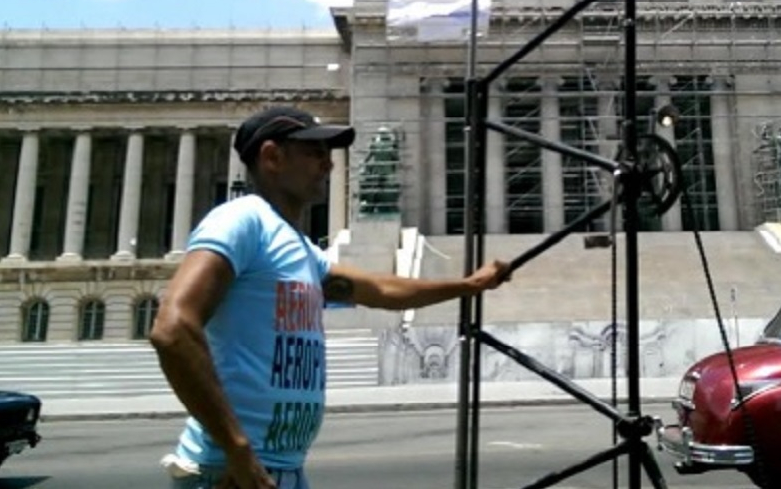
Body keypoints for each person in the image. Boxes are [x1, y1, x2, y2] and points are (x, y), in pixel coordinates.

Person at [149, 106, 511, 489]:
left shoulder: (300, 248)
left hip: (278, 469)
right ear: (272, 157)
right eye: (314, 153)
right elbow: (173, 329)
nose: (329, 165)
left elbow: (381, 290)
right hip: (230, 471)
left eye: (329, 154)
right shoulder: (241, 221)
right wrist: (238, 448)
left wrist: (468, 286)